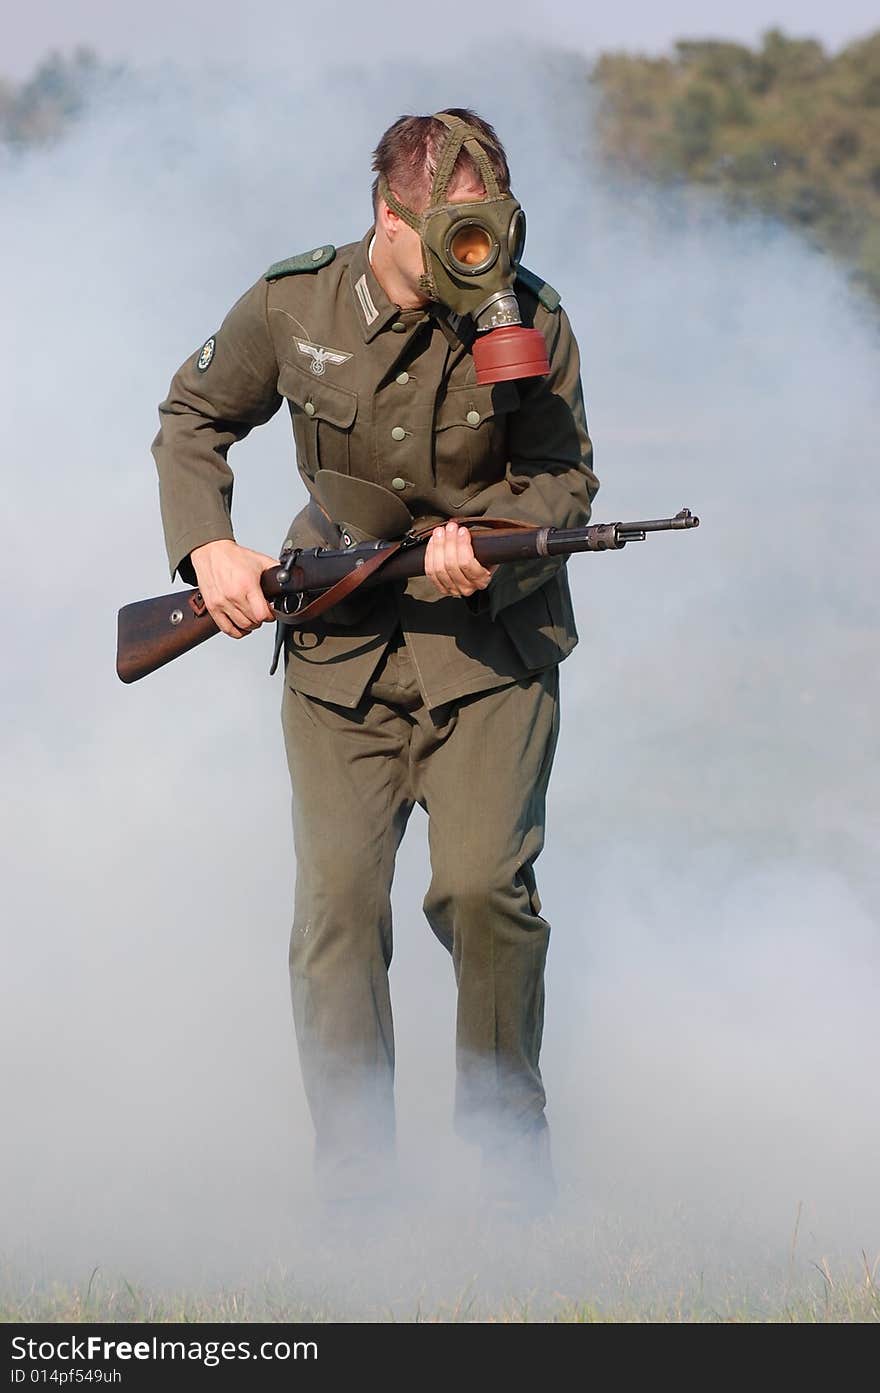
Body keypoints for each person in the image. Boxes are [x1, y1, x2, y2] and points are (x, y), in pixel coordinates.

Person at [152, 109, 598, 1214]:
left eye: (489, 230)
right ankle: (357, 1200)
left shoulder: (525, 314)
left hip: (489, 650)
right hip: (340, 656)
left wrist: (486, 547)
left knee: (485, 888)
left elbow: (564, 480)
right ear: (388, 216)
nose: (474, 256)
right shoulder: (293, 304)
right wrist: (207, 544)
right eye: (451, 232)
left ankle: (506, 1168)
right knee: (341, 910)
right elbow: (193, 416)